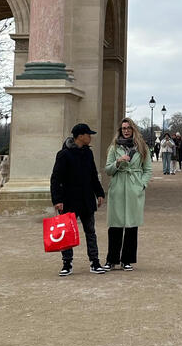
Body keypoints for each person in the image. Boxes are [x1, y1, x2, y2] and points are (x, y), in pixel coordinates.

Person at [50, 122, 107, 277]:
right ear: (80, 136)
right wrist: (57, 199)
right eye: (88, 134)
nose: (91, 137)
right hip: (69, 200)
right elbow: (55, 179)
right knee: (67, 233)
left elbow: (93, 175)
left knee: (90, 231)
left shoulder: (88, 153)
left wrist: (100, 193)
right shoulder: (63, 154)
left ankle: (94, 261)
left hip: (87, 198)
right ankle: (67, 263)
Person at [104, 117, 153, 271]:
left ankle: (127, 259)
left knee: (132, 225)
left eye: (128, 128)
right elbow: (108, 170)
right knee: (115, 225)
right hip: (118, 186)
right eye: (123, 128)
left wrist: (142, 185)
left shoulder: (142, 147)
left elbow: (148, 169)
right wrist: (118, 162)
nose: (126, 131)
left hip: (134, 187)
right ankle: (112, 259)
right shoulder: (114, 148)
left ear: (133, 130)